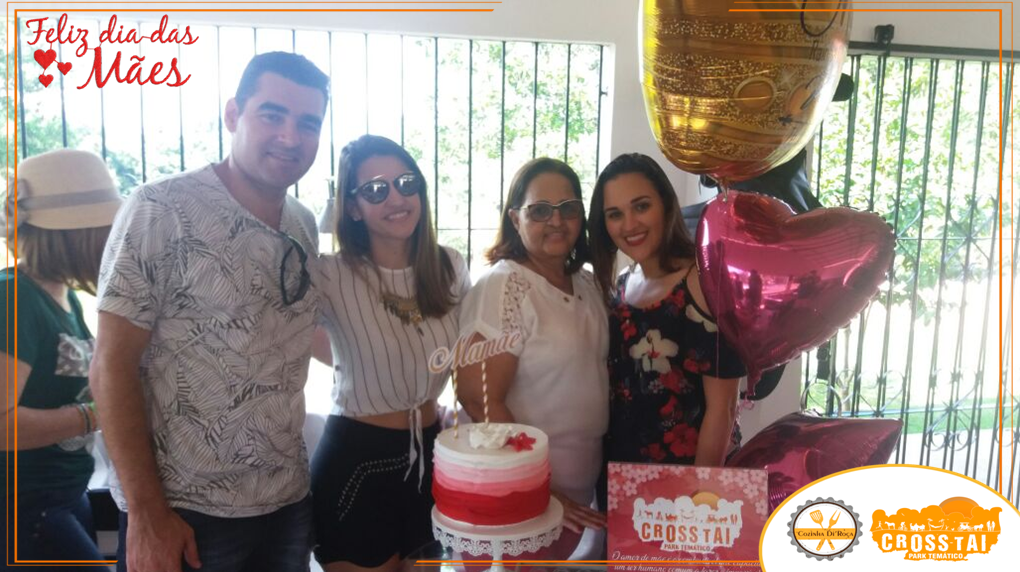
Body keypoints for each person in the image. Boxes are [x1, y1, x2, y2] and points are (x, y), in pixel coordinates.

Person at [89, 51, 329, 572]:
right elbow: (110, 364)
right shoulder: (160, 208)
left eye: (308, 123)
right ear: (233, 114)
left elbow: (292, 332)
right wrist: (147, 513)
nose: (290, 136)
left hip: (287, 501)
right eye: (272, 114)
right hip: (185, 512)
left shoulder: (302, 224)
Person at [309, 134, 470, 572]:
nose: (396, 198)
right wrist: (354, 359)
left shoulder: (449, 265)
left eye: (406, 183)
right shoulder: (330, 274)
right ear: (353, 207)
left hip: (431, 453)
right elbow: (285, 334)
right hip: (357, 460)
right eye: (376, 190)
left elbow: (467, 355)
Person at [457, 157, 608, 557]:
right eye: (540, 210)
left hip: (572, 501)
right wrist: (540, 490)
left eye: (568, 209)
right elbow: (478, 398)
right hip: (518, 501)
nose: (556, 221)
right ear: (515, 218)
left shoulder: (588, 284)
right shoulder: (503, 286)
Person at [1, 149, 123, 566]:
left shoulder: (62, 295)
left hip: (63, 496)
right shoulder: (13, 300)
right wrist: (96, 414)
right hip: (24, 506)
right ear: (76, 233)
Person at [588, 153, 746, 467]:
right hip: (622, 475)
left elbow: (723, 409)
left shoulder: (704, 283)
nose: (629, 224)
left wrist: (699, 491)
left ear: (666, 205)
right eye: (615, 214)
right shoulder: (621, 286)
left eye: (641, 206)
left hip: (688, 480)